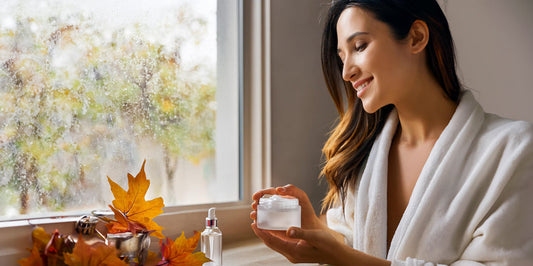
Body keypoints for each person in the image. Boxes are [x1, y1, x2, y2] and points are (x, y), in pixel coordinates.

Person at [250, 0, 533, 265]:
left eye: (359, 46)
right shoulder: (364, 154)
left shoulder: (513, 151)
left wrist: (344, 259)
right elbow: (354, 241)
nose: (346, 71)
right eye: (341, 56)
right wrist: (314, 232)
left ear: (416, 37)